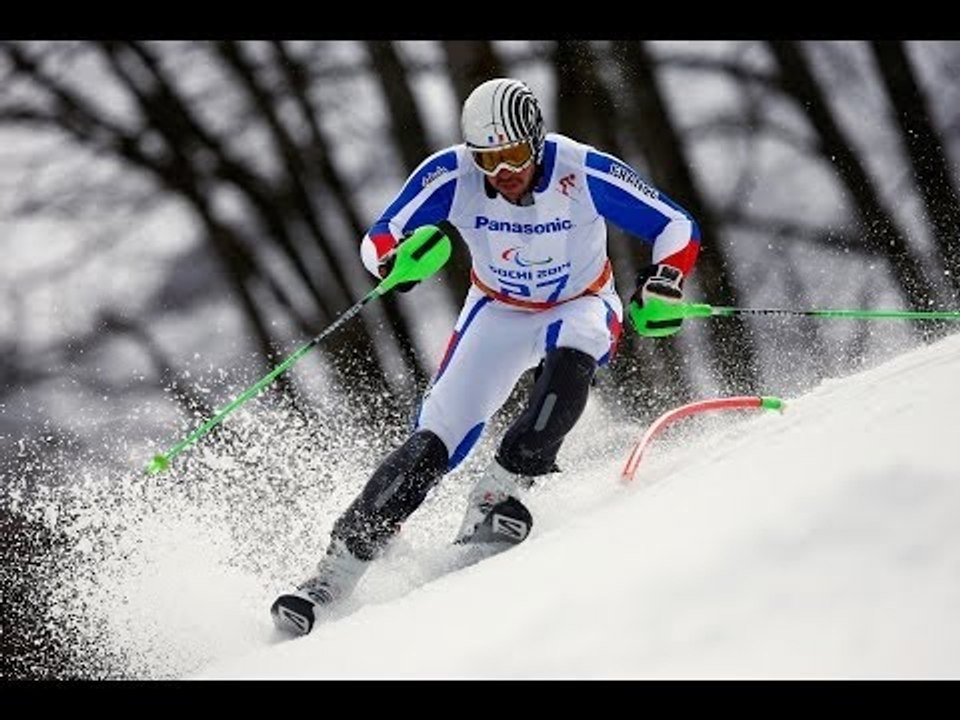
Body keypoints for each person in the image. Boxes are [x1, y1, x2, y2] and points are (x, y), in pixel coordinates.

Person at [271, 77, 701, 635]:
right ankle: (333, 574)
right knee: (433, 438)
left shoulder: (582, 168)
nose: (504, 172)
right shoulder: (452, 173)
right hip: (495, 310)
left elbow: (674, 223)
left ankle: (499, 492)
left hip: (580, 300)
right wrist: (392, 262)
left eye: (515, 155)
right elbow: (382, 233)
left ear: (537, 140)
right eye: (489, 159)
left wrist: (665, 279)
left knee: (575, 357)